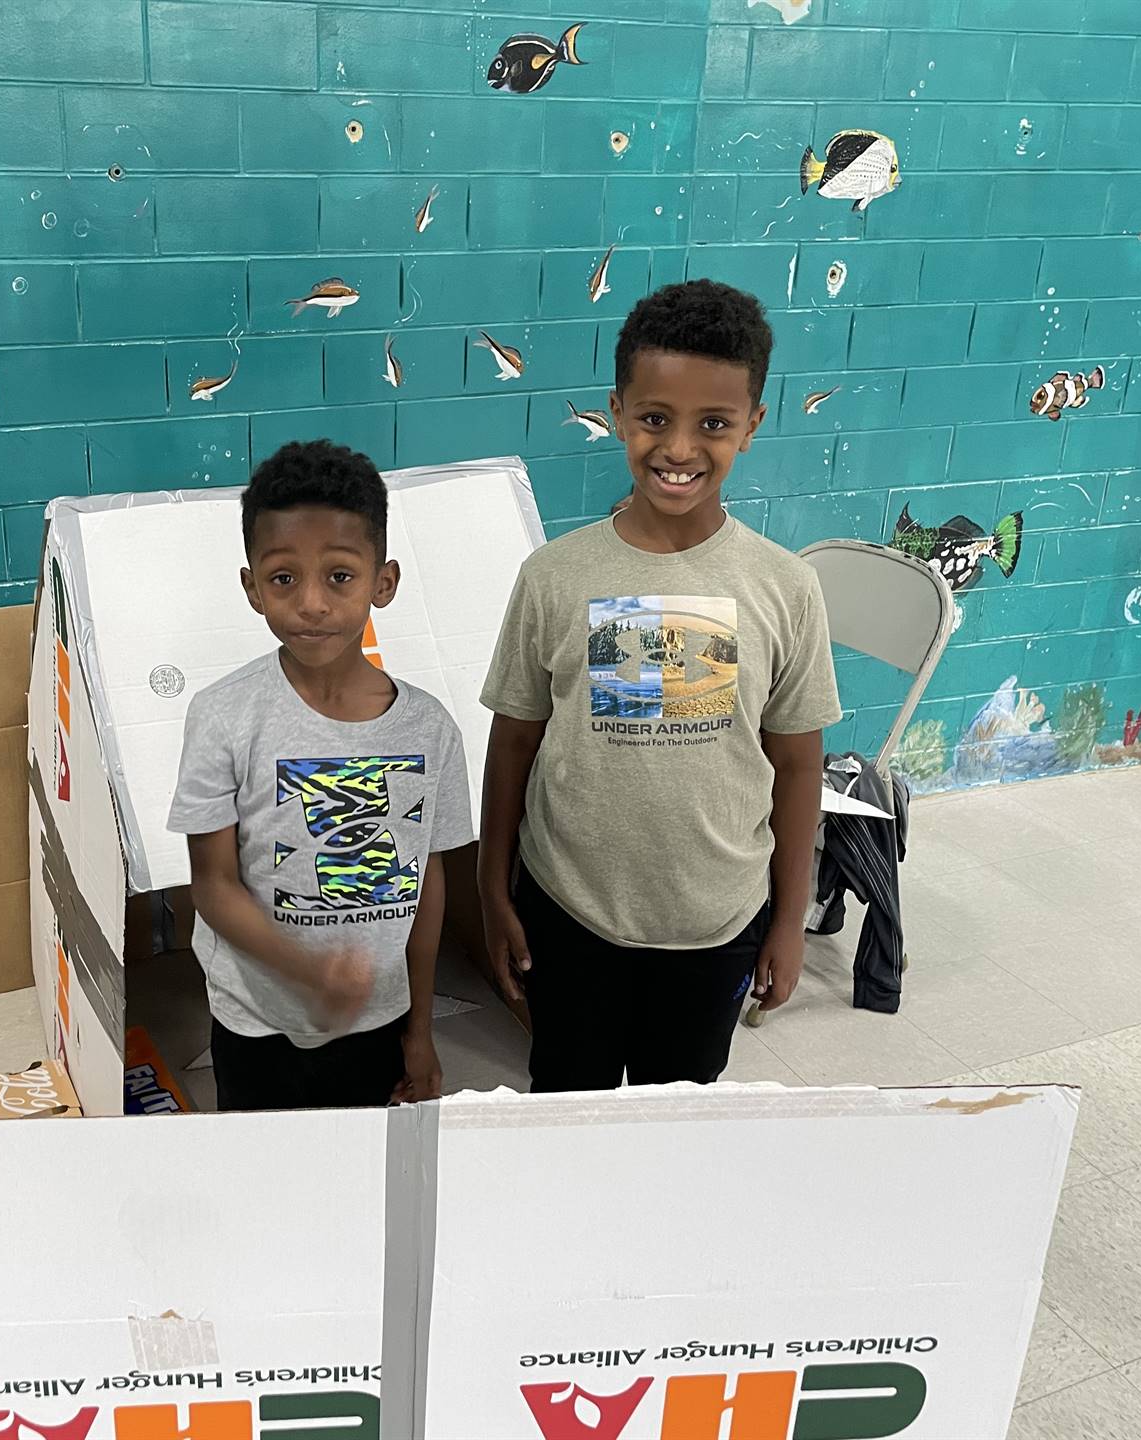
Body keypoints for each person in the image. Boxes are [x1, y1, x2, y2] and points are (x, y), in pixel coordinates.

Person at [477, 279, 841, 1092]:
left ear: (752, 424)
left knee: (676, 1123)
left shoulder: (785, 587)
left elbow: (798, 766)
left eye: (712, 423)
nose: (678, 448)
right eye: (654, 419)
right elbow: (514, 740)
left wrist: (788, 920)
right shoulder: (553, 577)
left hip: (717, 923)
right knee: (568, 1108)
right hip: (569, 913)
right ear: (616, 412)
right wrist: (491, 890)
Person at [169, 440, 473, 1112]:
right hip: (258, 1021)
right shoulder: (222, 716)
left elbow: (427, 887)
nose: (311, 603)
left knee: (362, 1179)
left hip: (380, 1020)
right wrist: (309, 974)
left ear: (383, 582)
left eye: (339, 576)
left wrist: (419, 1030)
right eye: (283, 578)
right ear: (252, 587)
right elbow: (213, 886)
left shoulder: (429, 730)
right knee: (267, 1180)